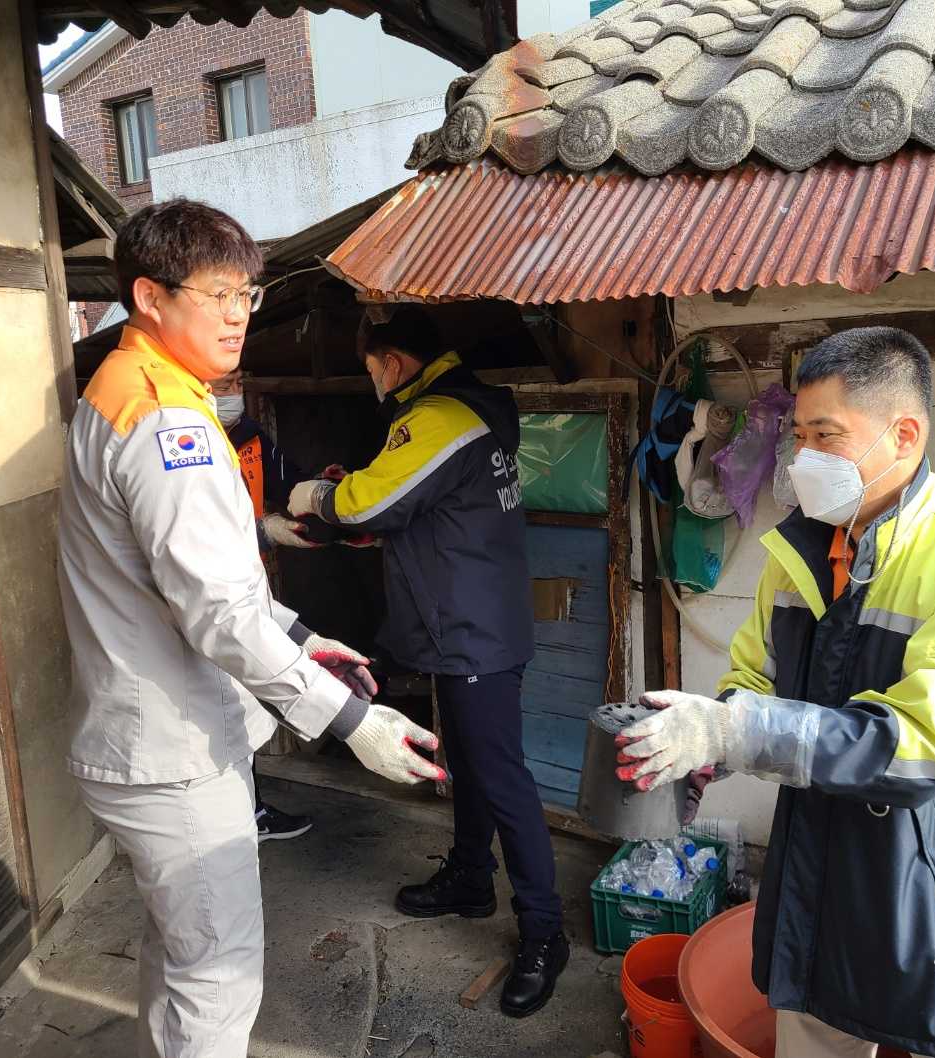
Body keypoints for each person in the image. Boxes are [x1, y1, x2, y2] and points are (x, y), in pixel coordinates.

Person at [58, 198, 444, 1058]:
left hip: (146, 736)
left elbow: (199, 579)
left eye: (247, 293)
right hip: (174, 752)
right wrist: (353, 721)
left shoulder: (126, 390)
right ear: (149, 296)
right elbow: (220, 615)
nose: (238, 314)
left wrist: (301, 638)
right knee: (217, 977)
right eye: (218, 293)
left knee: (181, 954)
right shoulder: (166, 423)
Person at [615, 327, 935, 1058]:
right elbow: (752, 680)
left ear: (904, 435)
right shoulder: (797, 557)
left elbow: (917, 747)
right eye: (799, 437)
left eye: (826, 436)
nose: (803, 459)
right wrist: (702, 744)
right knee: (813, 1029)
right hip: (816, 891)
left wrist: (734, 733)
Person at [287, 306, 567, 1017]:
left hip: (473, 631)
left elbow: (366, 503)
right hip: (468, 624)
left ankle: (545, 933)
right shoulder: (470, 409)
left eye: (371, 368)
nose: (373, 381)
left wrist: (318, 496)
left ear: (393, 362)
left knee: (501, 778)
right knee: (469, 762)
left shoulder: (439, 415)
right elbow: (424, 506)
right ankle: (470, 878)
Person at [211, 368, 338, 843]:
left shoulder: (249, 437)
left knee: (241, 701)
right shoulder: (181, 446)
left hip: (248, 585)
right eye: (222, 386)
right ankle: (236, 817)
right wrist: (265, 531)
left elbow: (289, 483)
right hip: (205, 593)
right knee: (220, 704)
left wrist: (324, 493)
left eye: (238, 382)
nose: (234, 394)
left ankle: (250, 809)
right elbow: (193, 534)